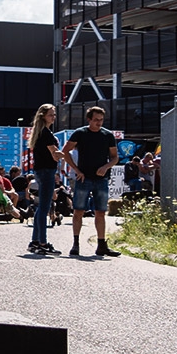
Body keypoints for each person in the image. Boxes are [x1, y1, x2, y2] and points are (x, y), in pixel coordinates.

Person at [61, 105, 120, 257]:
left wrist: (106, 167)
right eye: (96, 120)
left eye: (101, 120)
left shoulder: (107, 135)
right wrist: (76, 170)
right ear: (89, 119)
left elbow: (115, 157)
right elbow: (65, 151)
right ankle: (75, 244)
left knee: (100, 212)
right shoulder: (80, 133)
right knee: (78, 211)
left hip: (101, 179)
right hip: (84, 177)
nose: (99, 123)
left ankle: (101, 244)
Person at [26, 103, 63, 255]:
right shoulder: (46, 134)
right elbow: (54, 154)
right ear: (43, 116)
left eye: (54, 114)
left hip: (41, 170)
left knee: (41, 207)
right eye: (51, 115)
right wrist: (66, 152)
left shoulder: (39, 132)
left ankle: (35, 241)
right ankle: (42, 242)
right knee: (44, 207)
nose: (53, 117)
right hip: (47, 170)